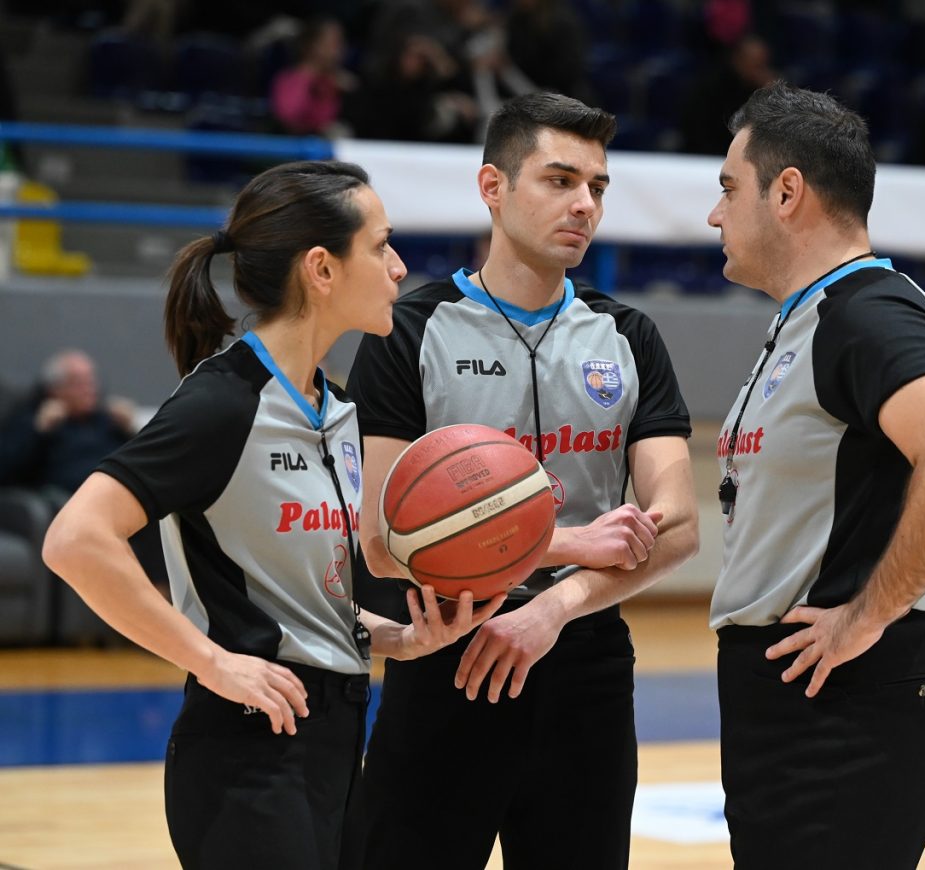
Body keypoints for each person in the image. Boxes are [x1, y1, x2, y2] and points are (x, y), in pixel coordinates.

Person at [41, 160, 505, 869]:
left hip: (337, 737)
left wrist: (396, 638)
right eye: (381, 246)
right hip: (245, 751)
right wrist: (212, 662)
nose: (399, 266)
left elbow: (293, 592)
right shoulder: (222, 403)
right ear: (321, 269)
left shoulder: (339, 409)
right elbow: (74, 541)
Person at [346, 92, 700, 869]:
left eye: (597, 187)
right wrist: (571, 545)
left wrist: (559, 608)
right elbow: (378, 543)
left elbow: (677, 524)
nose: (583, 204)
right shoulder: (408, 331)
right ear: (492, 188)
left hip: (587, 661)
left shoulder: (629, 335)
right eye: (559, 180)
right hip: (447, 651)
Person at [706, 81, 925, 869]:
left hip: (843, 715)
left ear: (787, 192)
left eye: (728, 190)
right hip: (797, 707)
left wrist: (866, 615)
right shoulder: (809, 319)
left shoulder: (866, 312)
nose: (714, 215)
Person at [0, 349, 137, 502]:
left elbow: (136, 463)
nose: (88, 389)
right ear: (54, 389)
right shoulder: (33, 419)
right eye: (78, 383)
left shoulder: (108, 420)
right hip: (65, 500)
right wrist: (38, 431)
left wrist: (130, 431)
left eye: (91, 381)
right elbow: (7, 471)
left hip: (113, 494)